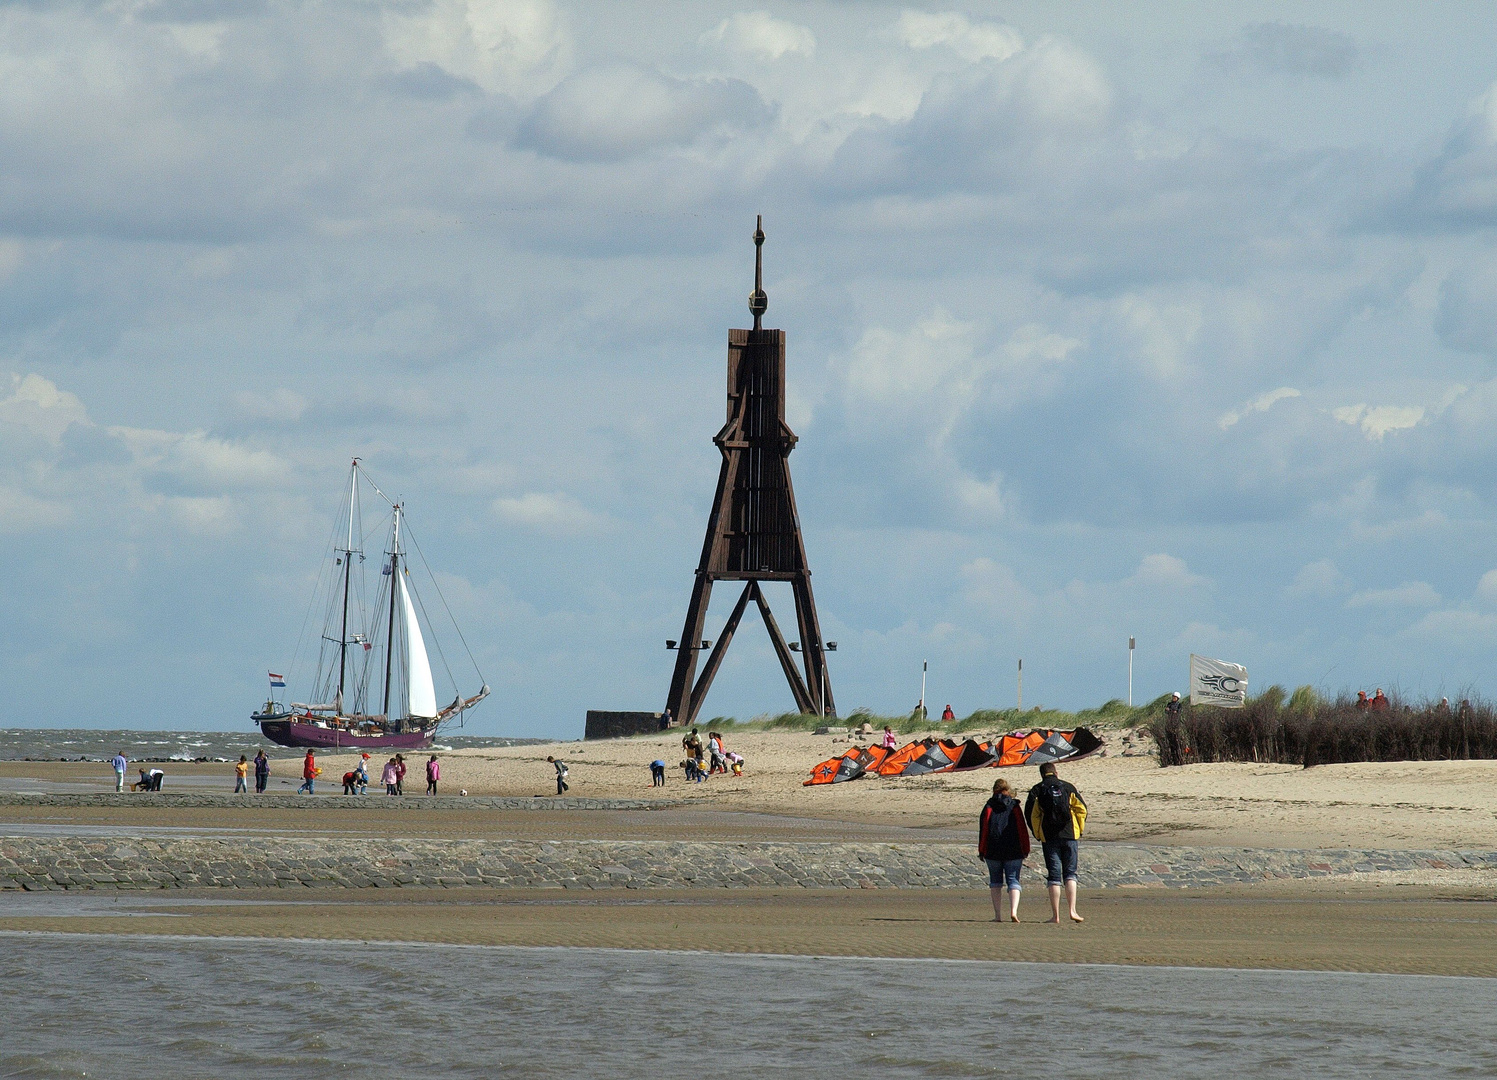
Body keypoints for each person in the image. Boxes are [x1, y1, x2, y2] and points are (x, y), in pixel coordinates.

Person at [1025, 762, 1086, 924]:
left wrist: (1038, 833)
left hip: (1049, 837)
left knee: (1054, 876)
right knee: (1070, 874)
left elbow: (1031, 815)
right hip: (1070, 834)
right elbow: (1082, 809)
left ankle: (1056, 916)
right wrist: (1079, 829)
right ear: (1056, 772)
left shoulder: (1037, 790)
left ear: (1042, 774)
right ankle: (1073, 910)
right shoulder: (1068, 787)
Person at [979, 778, 1030, 923]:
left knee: (995, 882)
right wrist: (1025, 848)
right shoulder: (1014, 806)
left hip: (992, 849)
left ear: (994, 790)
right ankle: (1013, 911)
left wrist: (982, 850)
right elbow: (1022, 829)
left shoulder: (989, 806)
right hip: (1013, 849)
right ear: (1008, 790)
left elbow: (984, 829)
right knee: (1013, 880)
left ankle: (998, 915)